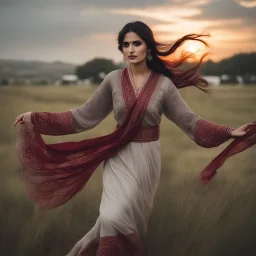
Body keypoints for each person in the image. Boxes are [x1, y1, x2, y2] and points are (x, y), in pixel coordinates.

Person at [13, 21, 256, 256]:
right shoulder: (113, 80)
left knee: (130, 225)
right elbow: (82, 116)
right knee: (111, 216)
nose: (130, 49)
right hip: (117, 157)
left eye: (136, 43)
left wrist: (228, 132)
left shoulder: (163, 85)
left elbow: (190, 122)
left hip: (146, 160)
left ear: (148, 47)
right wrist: (35, 118)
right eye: (125, 44)